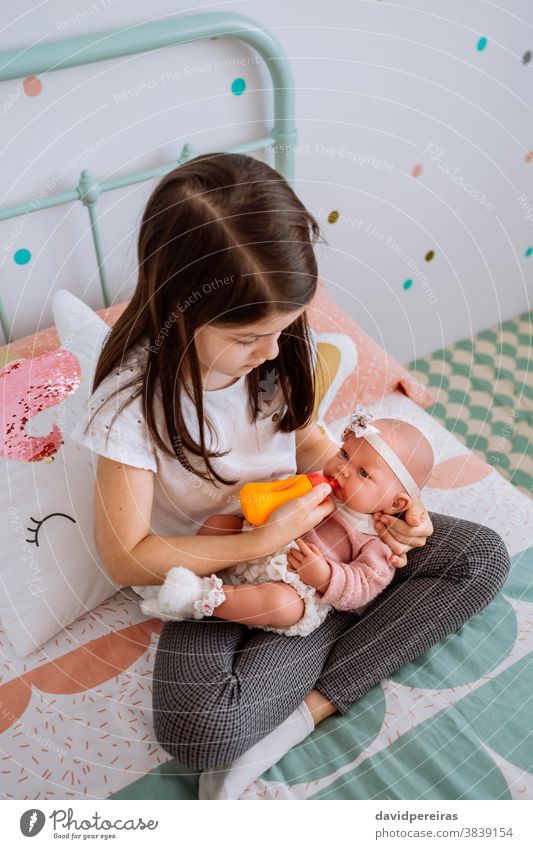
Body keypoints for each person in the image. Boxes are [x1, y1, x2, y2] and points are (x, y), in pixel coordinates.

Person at [70, 152, 510, 801]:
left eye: (283, 328)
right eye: (250, 336)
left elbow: (305, 441)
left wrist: (390, 504)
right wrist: (262, 546)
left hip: (314, 543)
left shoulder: (276, 352)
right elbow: (127, 555)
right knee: (199, 730)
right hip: (217, 573)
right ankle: (345, 607)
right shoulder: (131, 409)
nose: (272, 351)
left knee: (478, 555)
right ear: (181, 307)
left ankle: (308, 702)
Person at [139, 408, 435, 642]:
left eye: (362, 473)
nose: (343, 469)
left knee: (282, 605)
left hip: (295, 582)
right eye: (344, 454)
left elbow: (365, 585)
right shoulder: (319, 482)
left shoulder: (377, 537)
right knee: (219, 523)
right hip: (248, 547)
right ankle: (175, 580)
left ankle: (200, 596)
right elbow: (276, 494)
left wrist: (325, 575)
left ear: (396, 503)